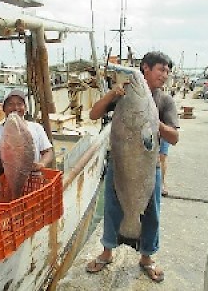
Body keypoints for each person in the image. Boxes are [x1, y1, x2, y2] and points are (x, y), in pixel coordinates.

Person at [85, 51, 179, 283]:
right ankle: (107, 252)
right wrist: (111, 95)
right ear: (145, 68)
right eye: (161, 70)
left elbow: (174, 137)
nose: (165, 75)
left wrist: (154, 123)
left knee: (151, 214)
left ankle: (147, 257)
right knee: (112, 209)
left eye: (167, 71)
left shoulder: (164, 100)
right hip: (119, 165)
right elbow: (93, 114)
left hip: (149, 168)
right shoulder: (125, 94)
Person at [0, 90, 54, 176]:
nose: (15, 108)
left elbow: (48, 151)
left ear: (25, 108)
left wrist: (42, 164)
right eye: (10, 104)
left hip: (36, 180)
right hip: (9, 184)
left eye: (19, 104)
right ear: (3, 108)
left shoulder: (37, 128)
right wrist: (6, 156)